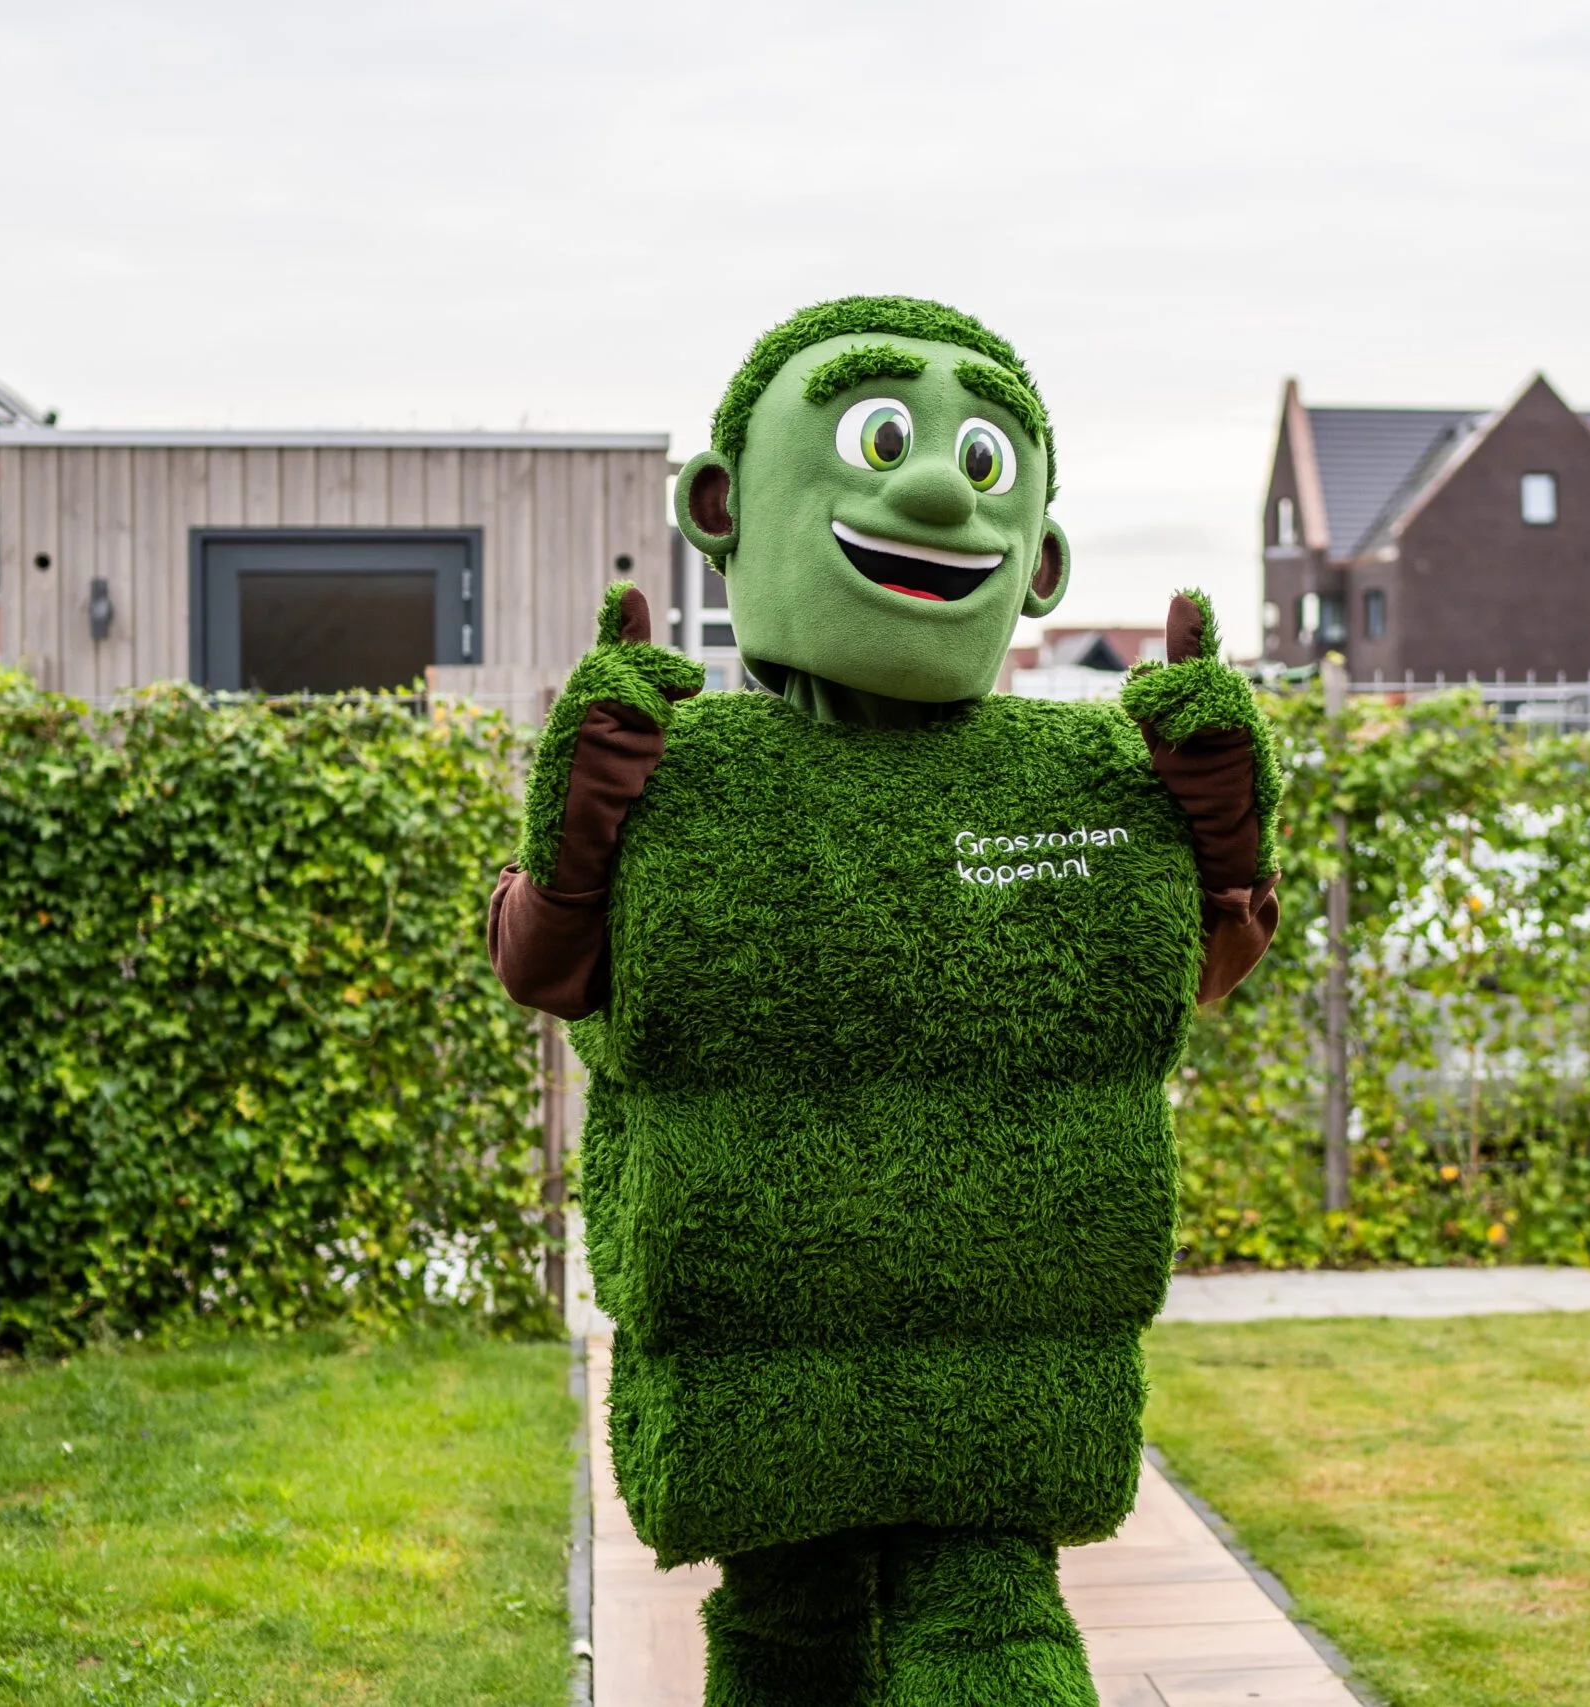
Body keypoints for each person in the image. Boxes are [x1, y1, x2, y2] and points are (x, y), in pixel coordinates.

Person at [490, 296, 1279, 1706]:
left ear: (1037, 562)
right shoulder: (695, 774)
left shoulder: (1072, 790)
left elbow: (1148, 987)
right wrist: (586, 834)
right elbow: (558, 968)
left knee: (984, 1627)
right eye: (878, 434)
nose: (925, 485)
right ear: (721, 508)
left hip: (993, 1381)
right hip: (769, 1371)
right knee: (798, 1630)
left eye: (978, 459)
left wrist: (1221, 858)